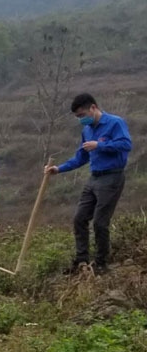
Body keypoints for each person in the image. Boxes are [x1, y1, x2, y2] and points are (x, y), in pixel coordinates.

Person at [46, 92, 134, 275]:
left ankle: (101, 264)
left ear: (93, 108)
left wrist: (100, 145)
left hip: (112, 177)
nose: (81, 120)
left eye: (82, 115)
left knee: (100, 223)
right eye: (78, 117)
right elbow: (81, 157)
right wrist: (59, 169)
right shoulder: (87, 131)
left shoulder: (115, 123)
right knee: (79, 218)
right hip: (94, 178)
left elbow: (125, 144)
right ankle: (81, 261)